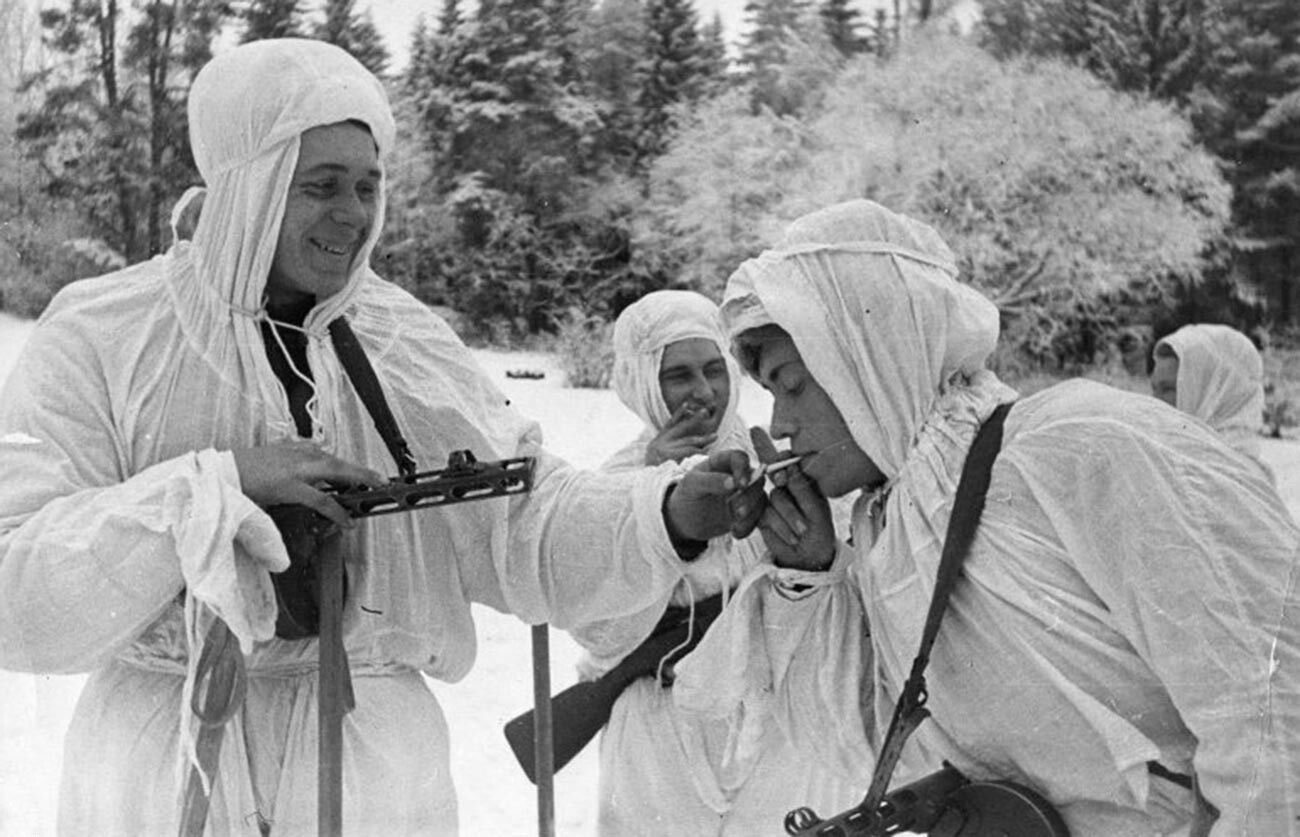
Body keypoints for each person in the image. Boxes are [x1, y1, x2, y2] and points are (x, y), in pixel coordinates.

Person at [0, 40, 741, 836]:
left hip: (373, 770)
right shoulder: (106, 331)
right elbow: (19, 587)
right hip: (164, 761)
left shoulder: (401, 339)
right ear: (248, 185)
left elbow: (524, 520)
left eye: (368, 184)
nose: (352, 214)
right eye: (320, 186)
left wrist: (667, 513)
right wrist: (218, 488)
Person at [694, 198, 1299, 834]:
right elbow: (874, 751)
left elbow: (1271, 711)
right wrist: (809, 571)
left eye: (792, 386)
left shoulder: (1083, 444)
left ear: (868, 359)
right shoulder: (895, 524)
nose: (781, 428)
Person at [565, 290, 863, 835]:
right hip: (662, 721)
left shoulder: (788, 458)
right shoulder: (611, 483)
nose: (703, 393)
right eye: (678, 376)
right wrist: (653, 497)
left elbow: (846, 575)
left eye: (714, 371)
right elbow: (593, 623)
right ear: (642, 382)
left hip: (780, 719)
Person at [1150, 323, 1268, 467]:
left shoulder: (1231, 472)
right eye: (1154, 389)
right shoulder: (1164, 458)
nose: (1153, 401)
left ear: (1213, 394)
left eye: (1168, 389)